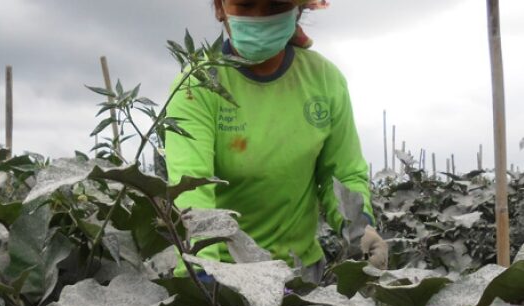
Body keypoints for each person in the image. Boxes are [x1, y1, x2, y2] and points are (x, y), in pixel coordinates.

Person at [164, 0, 388, 283]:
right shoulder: (198, 86)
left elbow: (342, 174)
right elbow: (191, 187)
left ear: (297, 10)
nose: (259, 18)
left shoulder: (324, 80)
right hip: (225, 275)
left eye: (275, 6)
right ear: (220, 7)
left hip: (300, 273)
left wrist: (360, 230)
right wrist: (202, 275)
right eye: (245, 5)